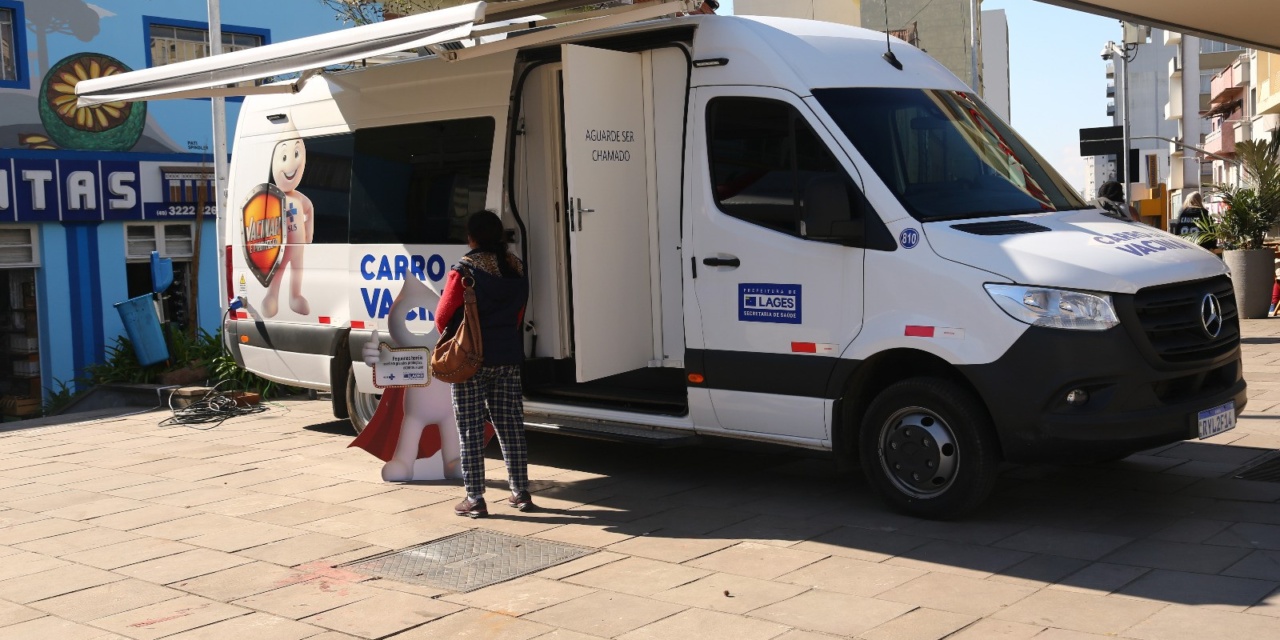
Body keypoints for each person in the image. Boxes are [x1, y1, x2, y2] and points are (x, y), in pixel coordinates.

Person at [436, 210, 532, 518]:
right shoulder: (516, 267)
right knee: (511, 426)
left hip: (471, 360)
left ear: (472, 236)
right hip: (508, 355)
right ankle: (520, 492)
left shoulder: (465, 270)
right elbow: (518, 315)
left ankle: (475, 498)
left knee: (470, 429)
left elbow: (442, 316)